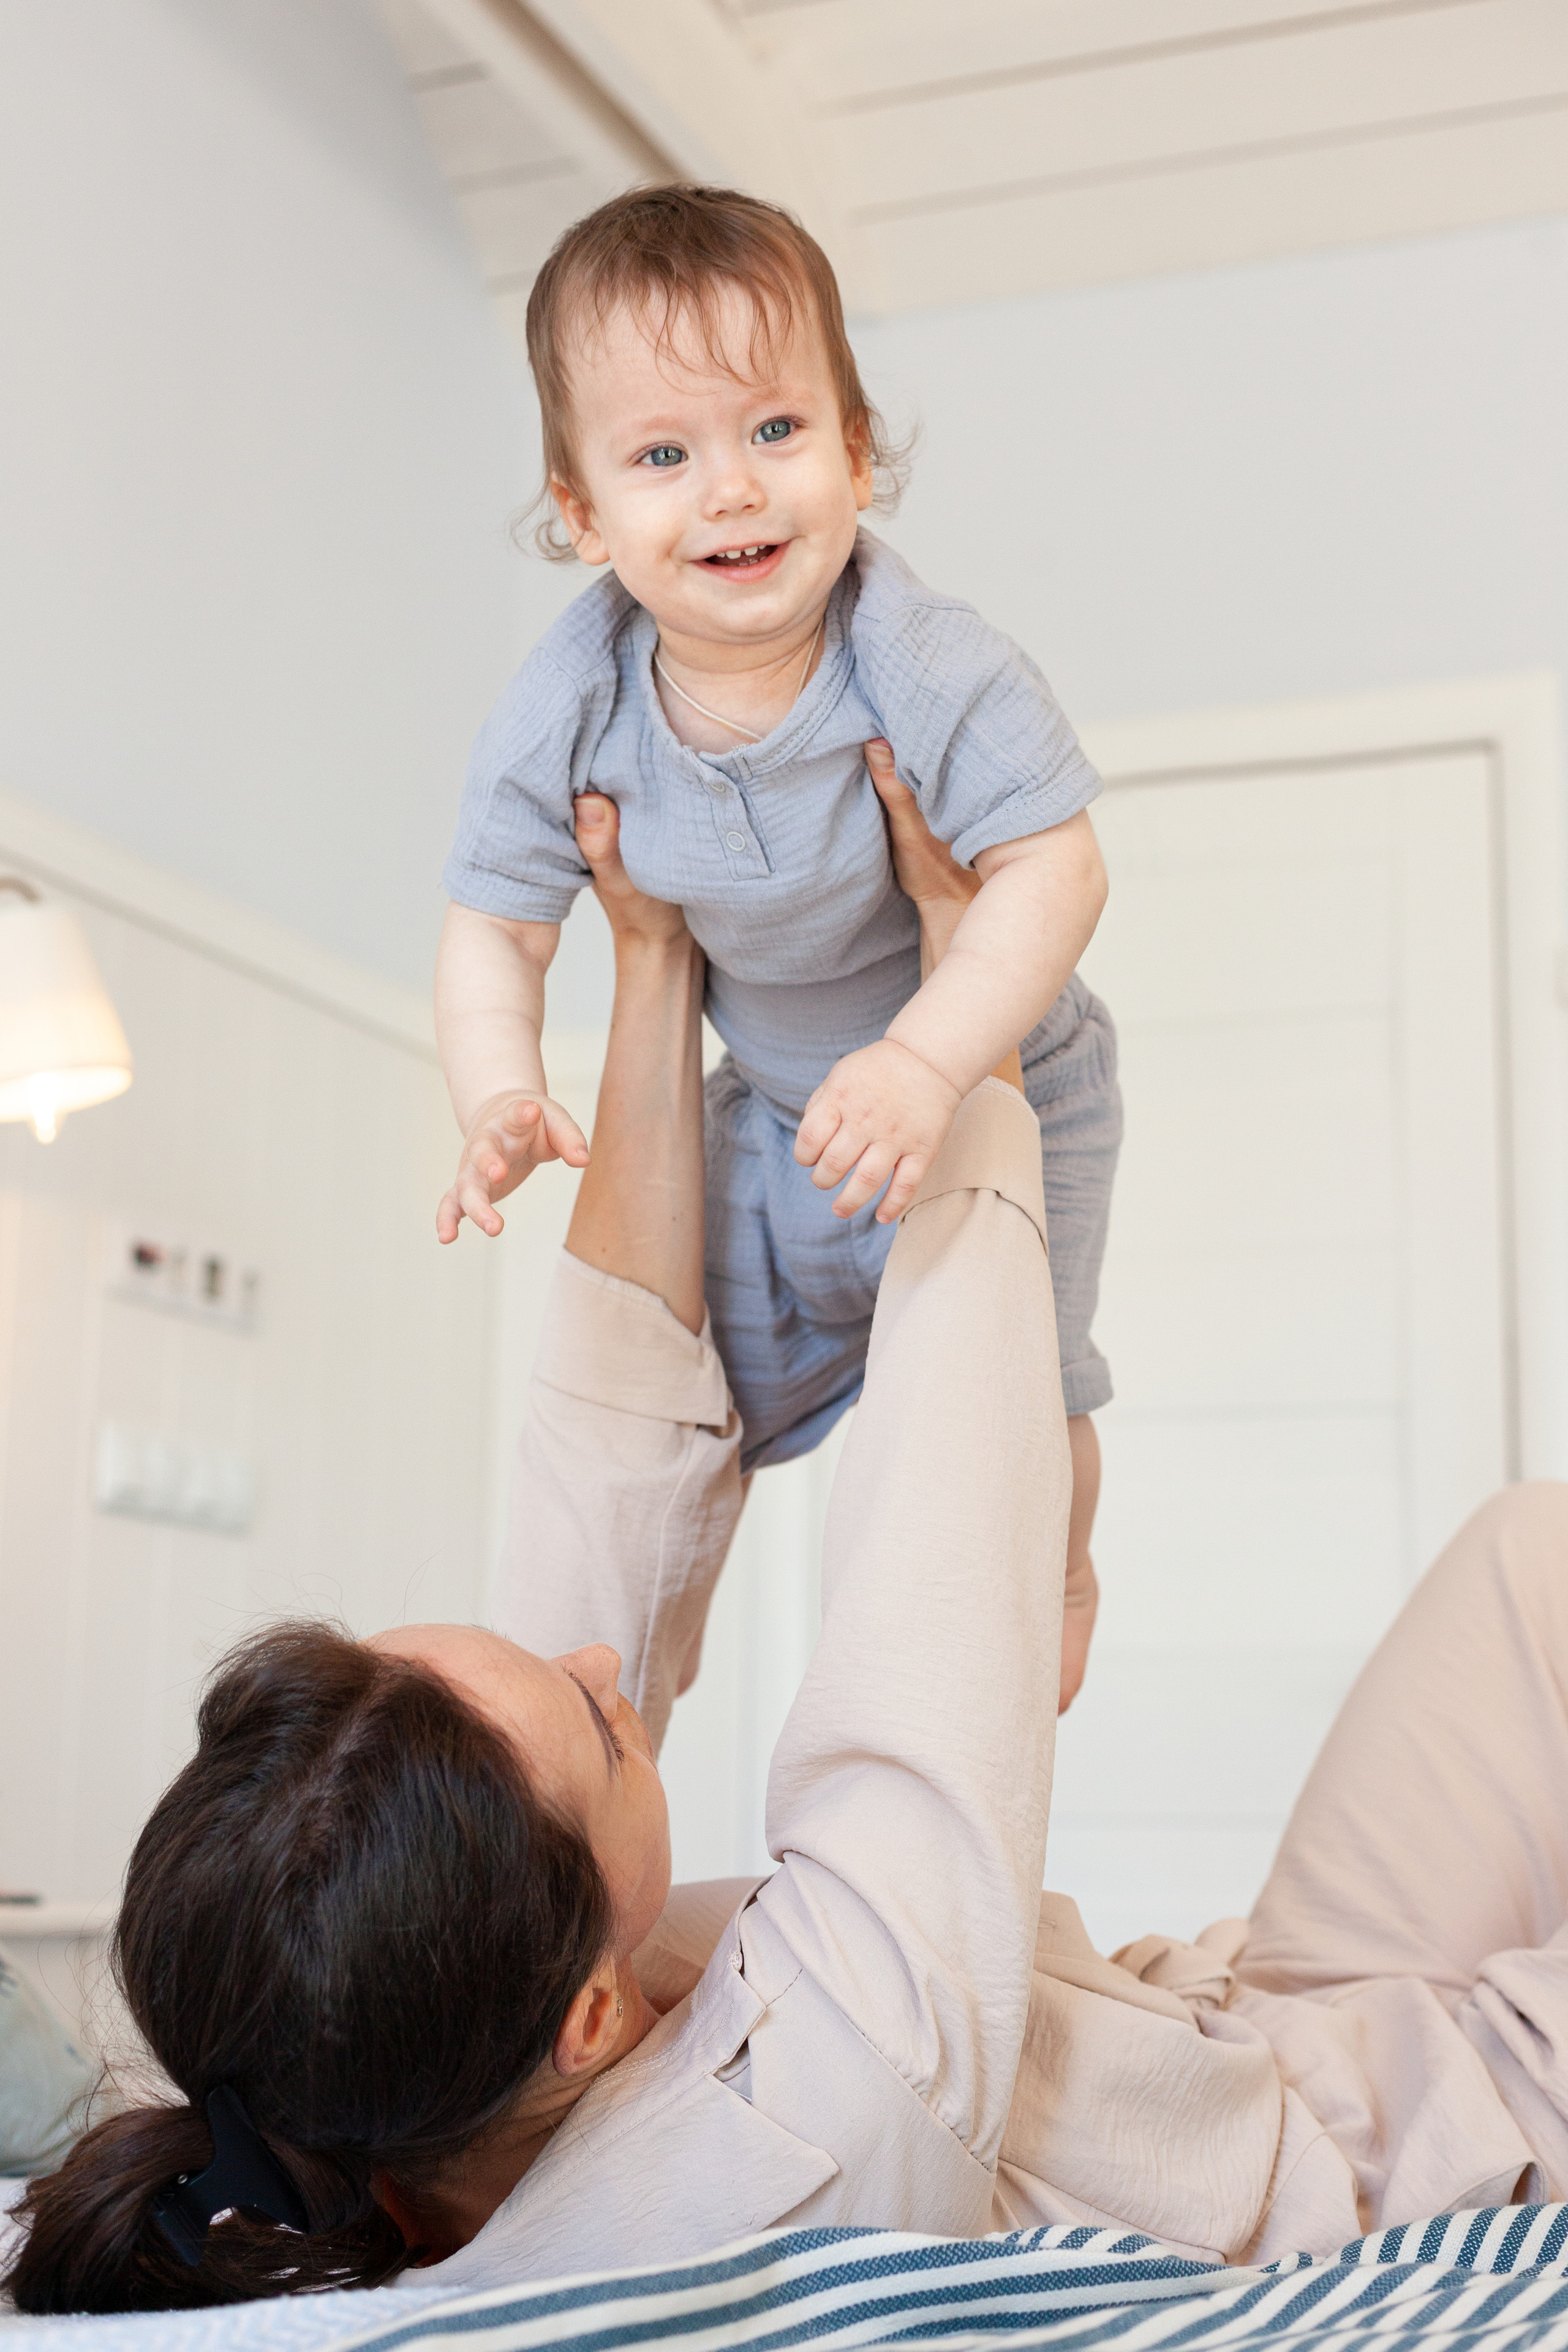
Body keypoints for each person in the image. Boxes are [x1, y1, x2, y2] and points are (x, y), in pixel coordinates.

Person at [7, 794, 1567, 2317]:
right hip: (1438, 2122)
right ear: (594, 2017)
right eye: (604, 1724)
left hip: (1257, 2025)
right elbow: (943, 1566)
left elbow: (607, 1469)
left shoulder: (415, 2040)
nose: (602, 1664)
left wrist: (649, 957)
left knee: (1534, 1545)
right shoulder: (796, 2156)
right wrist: (964, 986)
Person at [432, 183, 1118, 1710]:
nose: (728, 491)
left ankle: (1057, 1566)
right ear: (581, 510)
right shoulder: (571, 702)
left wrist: (933, 1056)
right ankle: (602, 1719)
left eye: (773, 433)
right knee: (669, 1408)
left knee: (1017, 1385)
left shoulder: (922, 660)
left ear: (856, 455)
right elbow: (495, 926)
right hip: (767, 1115)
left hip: (999, 1073)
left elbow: (1054, 871)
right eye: (663, 456)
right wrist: (492, 1090)